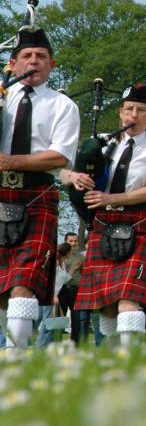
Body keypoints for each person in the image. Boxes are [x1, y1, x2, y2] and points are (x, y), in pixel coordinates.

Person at [70, 84, 146, 347]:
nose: (134, 115)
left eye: (140, 110)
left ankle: (130, 361)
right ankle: (112, 360)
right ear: (120, 112)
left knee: (129, 298)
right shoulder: (102, 142)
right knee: (106, 303)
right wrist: (75, 175)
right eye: (129, 109)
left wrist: (109, 199)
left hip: (137, 223)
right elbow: (64, 172)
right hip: (103, 224)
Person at [0, 25, 80, 348]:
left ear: (52, 65)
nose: (34, 61)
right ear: (14, 62)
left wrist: (10, 162)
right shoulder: (3, 98)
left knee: (23, 286)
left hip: (36, 198)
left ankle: (17, 362)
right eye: (27, 56)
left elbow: (60, 157)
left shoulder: (63, 106)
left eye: (41, 56)